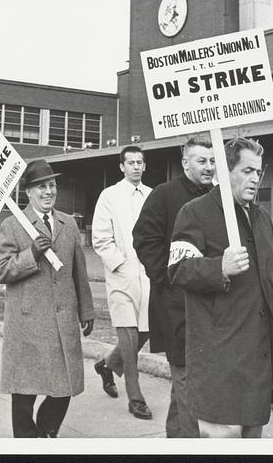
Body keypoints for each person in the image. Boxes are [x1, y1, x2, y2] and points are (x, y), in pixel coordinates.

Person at [167, 137, 273, 437]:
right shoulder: (195, 212)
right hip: (220, 358)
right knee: (221, 437)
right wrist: (219, 267)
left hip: (257, 358)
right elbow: (178, 269)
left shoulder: (261, 217)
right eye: (247, 171)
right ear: (226, 172)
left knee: (252, 435)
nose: (255, 179)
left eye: (259, 172)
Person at [0, 159, 95, 438]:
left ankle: (47, 429)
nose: (48, 191)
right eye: (41, 187)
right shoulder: (13, 225)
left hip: (62, 321)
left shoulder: (69, 223)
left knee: (65, 386)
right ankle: (27, 442)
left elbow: (79, 270)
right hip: (28, 324)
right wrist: (31, 255)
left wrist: (86, 309)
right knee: (24, 392)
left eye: (52, 185)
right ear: (28, 192)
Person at [132, 134, 215, 438]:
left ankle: (175, 439)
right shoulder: (163, 195)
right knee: (186, 379)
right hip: (175, 306)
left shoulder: (219, 198)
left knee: (188, 385)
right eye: (201, 160)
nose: (208, 167)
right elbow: (144, 239)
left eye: (212, 161)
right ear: (185, 163)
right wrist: (168, 277)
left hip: (210, 307)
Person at [91, 145, 153, 420]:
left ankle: (107, 366)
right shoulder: (109, 195)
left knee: (148, 330)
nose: (136, 167)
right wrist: (120, 264)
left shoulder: (152, 195)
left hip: (148, 274)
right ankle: (135, 397)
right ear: (122, 167)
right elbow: (100, 239)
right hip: (121, 275)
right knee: (128, 335)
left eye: (140, 162)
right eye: (131, 163)